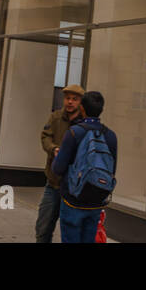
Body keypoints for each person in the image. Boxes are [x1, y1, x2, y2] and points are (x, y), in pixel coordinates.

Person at [50, 90, 117, 243]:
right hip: (96, 200)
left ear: (82, 109)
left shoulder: (74, 132)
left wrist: (56, 157)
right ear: (101, 109)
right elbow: (111, 170)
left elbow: (58, 169)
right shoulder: (111, 136)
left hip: (72, 199)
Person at [36, 84, 85, 242]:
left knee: (70, 232)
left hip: (72, 187)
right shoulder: (55, 117)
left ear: (80, 102)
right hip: (53, 183)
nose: (70, 102)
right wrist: (53, 149)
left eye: (74, 99)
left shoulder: (83, 124)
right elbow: (45, 137)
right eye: (67, 98)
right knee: (43, 227)